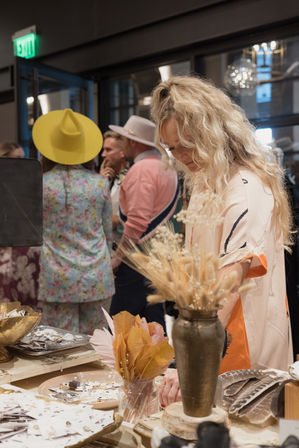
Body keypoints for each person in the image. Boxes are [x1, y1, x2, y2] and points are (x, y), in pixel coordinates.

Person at [150, 75, 294, 406]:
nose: (180, 156)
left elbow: (229, 281)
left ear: (211, 132)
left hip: (240, 336)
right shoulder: (204, 180)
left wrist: (191, 356)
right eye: (172, 149)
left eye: (186, 144)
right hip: (212, 330)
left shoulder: (245, 186)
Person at [32, 109, 114, 334]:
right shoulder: (99, 184)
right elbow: (108, 232)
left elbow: (32, 231)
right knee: (96, 347)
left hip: (55, 277)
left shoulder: (40, 184)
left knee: (59, 348)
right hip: (97, 275)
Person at [109, 115, 180, 330]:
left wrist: (118, 258)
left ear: (133, 142)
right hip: (157, 258)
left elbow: (138, 221)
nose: (120, 145)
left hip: (136, 260)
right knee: (153, 325)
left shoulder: (142, 170)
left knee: (122, 328)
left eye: (122, 140)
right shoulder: (166, 167)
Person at [0, 141, 41, 310]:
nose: (22, 164)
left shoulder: (29, 186)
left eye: (24, 159)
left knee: (29, 308)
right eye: (17, 159)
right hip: (5, 251)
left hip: (27, 250)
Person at [99, 130, 130, 247]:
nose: (103, 155)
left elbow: (117, 222)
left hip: (122, 250)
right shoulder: (105, 178)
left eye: (108, 150)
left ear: (122, 152)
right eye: (103, 150)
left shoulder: (130, 179)